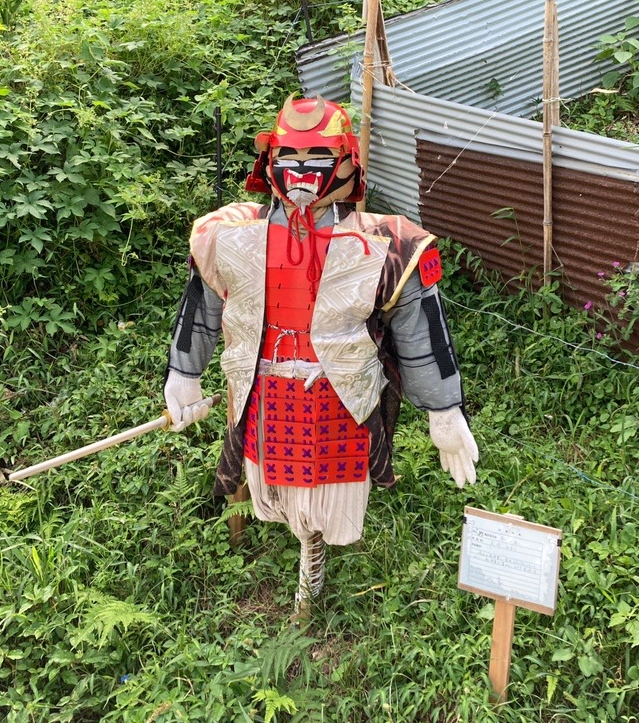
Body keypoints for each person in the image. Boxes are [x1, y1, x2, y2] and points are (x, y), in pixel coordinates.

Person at [164, 95, 478, 602]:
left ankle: (312, 572)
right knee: (273, 488)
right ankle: (303, 557)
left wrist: (443, 409)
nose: (301, 174)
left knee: (328, 498)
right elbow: (201, 303)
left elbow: (422, 328)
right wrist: (185, 373)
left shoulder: (387, 243)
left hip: (339, 396)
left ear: (346, 163)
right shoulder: (229, 235)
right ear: (269, 163)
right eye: (288, 159)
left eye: (317, 161)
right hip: (261, 388)